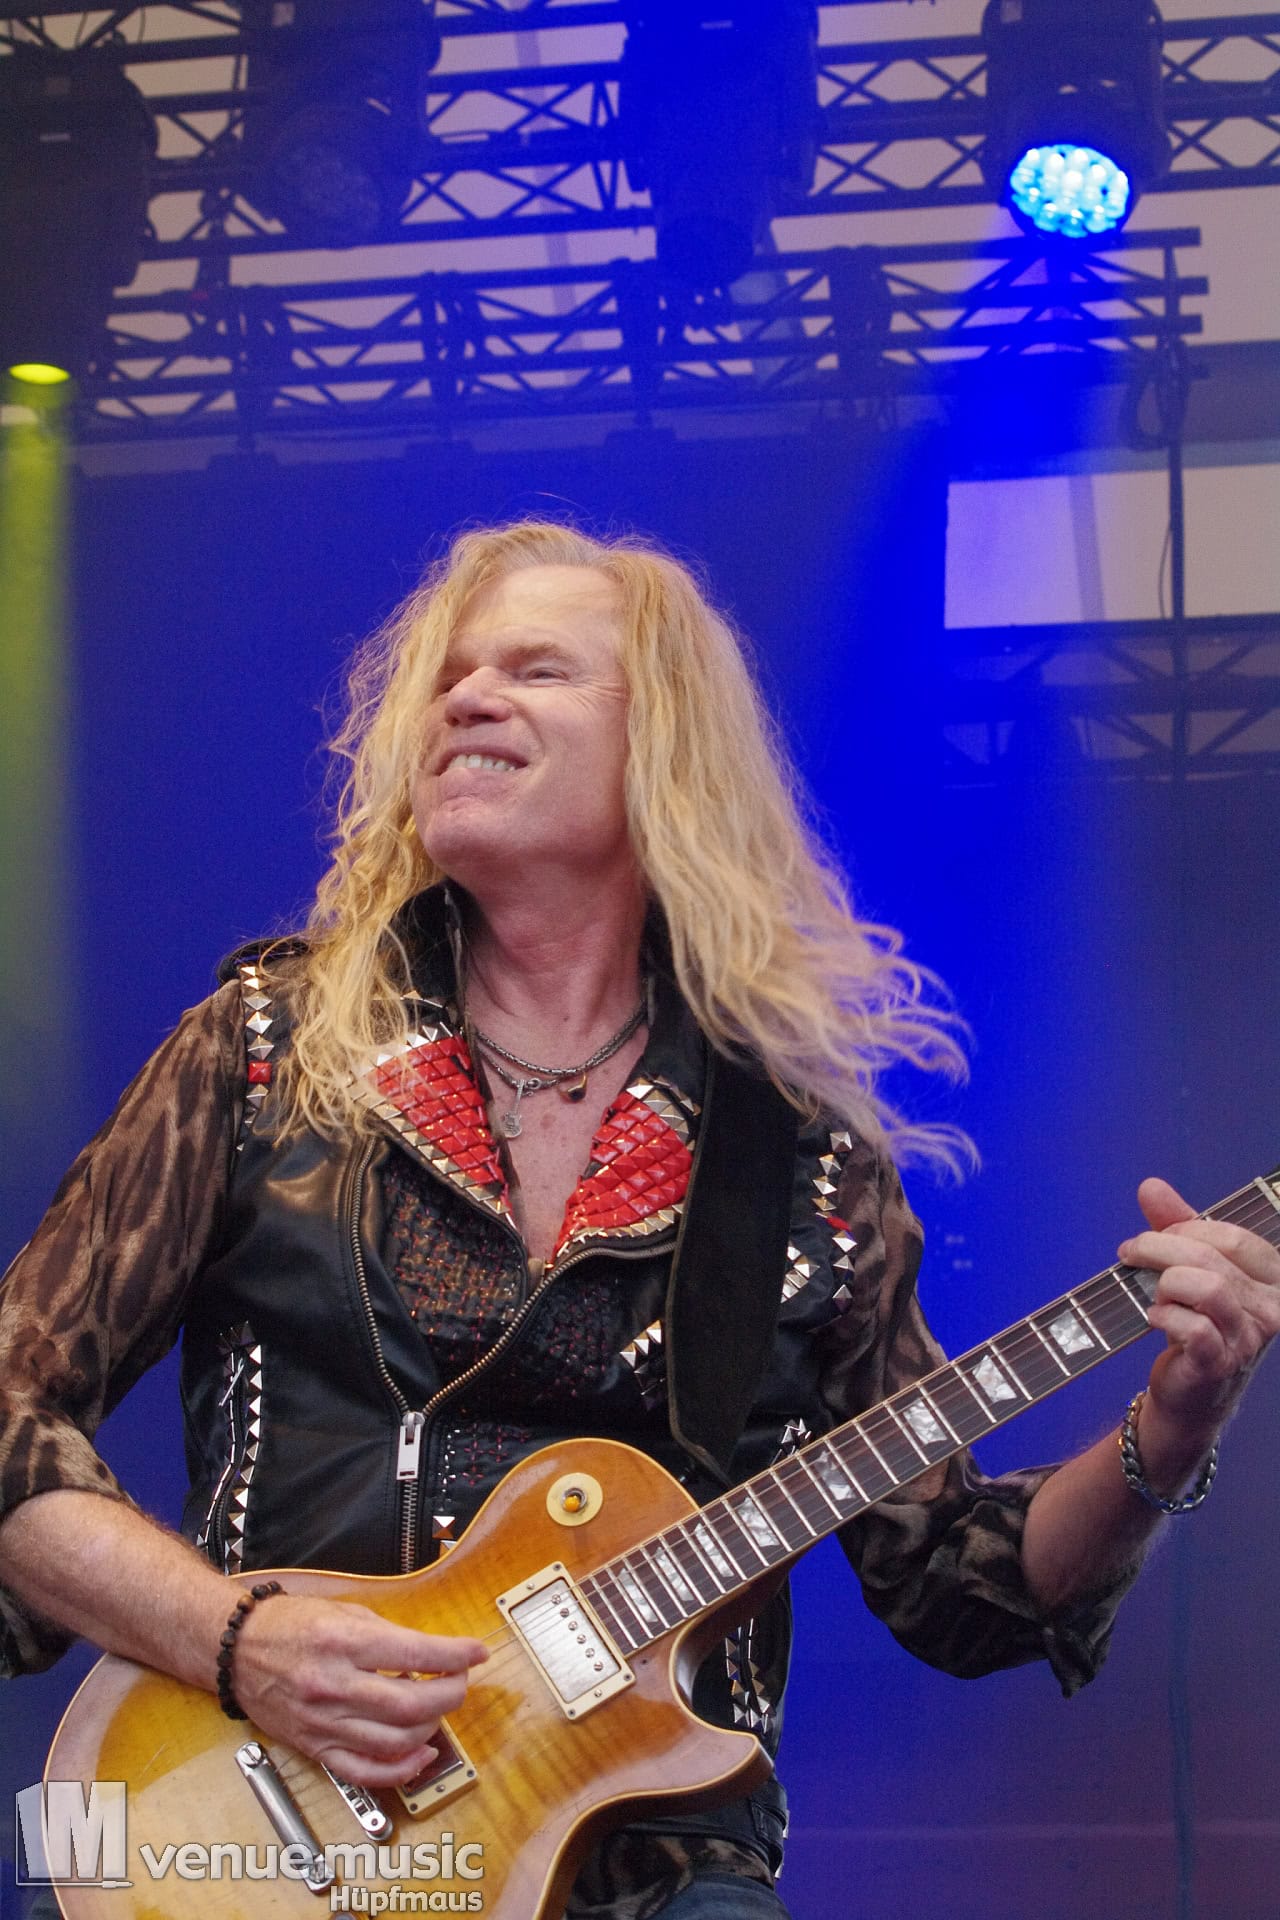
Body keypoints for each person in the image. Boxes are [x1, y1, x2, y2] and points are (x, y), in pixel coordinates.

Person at [1, 519, 1277, 1920]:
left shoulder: (799, 1161)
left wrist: (1175, 1420)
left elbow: (964, 1587)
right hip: (238, 1811)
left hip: (658, 1862)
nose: (468, 699)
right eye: (451, 678)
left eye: (537, 670)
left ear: (661, 747)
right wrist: (238, 1638)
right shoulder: (269, 1052)